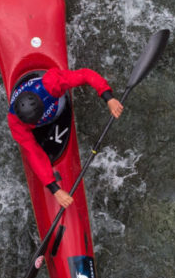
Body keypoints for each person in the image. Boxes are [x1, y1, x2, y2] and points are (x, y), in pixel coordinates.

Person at [8, 67, 123, 208]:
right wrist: (54, 189)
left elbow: (85, 75)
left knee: (61, 103)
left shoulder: (51, 83)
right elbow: (33, 153)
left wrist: (108, 97)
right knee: (29, 144)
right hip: (35, 118)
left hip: (55, 101)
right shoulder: (15, 122)